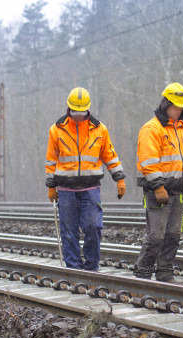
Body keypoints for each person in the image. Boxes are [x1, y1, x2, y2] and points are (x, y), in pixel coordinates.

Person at [45, 87, 126, 270]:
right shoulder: (56, 130)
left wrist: (119, 178)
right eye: (75, 112)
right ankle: (74, 269)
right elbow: (51, 160)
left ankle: (91, 268)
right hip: (66, 190)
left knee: (93, 227)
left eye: (81, 112)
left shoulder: (99, 130)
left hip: (90, 189)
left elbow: (109, 155)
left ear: (88, 109)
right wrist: (51, 186)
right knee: (68, 232)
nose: (78, 116)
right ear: (68, 108)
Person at [134, 83, 183, 281]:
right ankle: (143, 272)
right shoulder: (151, 129)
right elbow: (149, 163)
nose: (177, 111)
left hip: (177, 193)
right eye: (174, 107)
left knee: (173, 235)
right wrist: (158, 186)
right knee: (156, 236)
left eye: (181, 108)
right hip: (158, 193)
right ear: (165, 105)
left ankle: (165, 271)